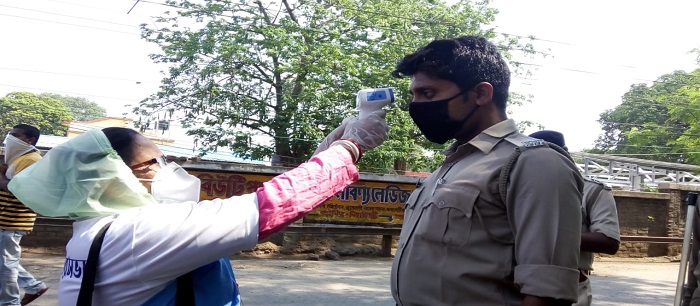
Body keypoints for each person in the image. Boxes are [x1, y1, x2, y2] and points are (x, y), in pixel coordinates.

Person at [8, 111, 388, 305]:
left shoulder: (97, 228)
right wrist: (350, 147)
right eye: (156, 162)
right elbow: (274, 205)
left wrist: (327, 150)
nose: (170, 170)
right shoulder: (142, 231)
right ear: (114, 177)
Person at [389, 35, 584, 306]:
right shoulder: (455, 162)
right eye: (414, 95)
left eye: (428, 94)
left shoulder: (534, 162)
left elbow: (546, 292)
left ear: (481, 93)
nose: (416, 106)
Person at [529, 130, 621, 306]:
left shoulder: (592, 190)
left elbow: (609, 241)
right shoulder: (516, 189)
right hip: (519, 282)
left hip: (570, 283)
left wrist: (545, 236)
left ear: (565, 152)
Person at [0, 124, 50, 306]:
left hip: (13, 220)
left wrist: (1, 178)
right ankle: (33, 286)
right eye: (9, 134)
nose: (10, 138)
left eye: (15, 135)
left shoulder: (31, 160)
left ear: (29, 140)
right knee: (5, 262)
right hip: (6, 218)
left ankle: (9, 303)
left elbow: (21, 190)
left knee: (6, 266)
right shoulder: (18, 158)